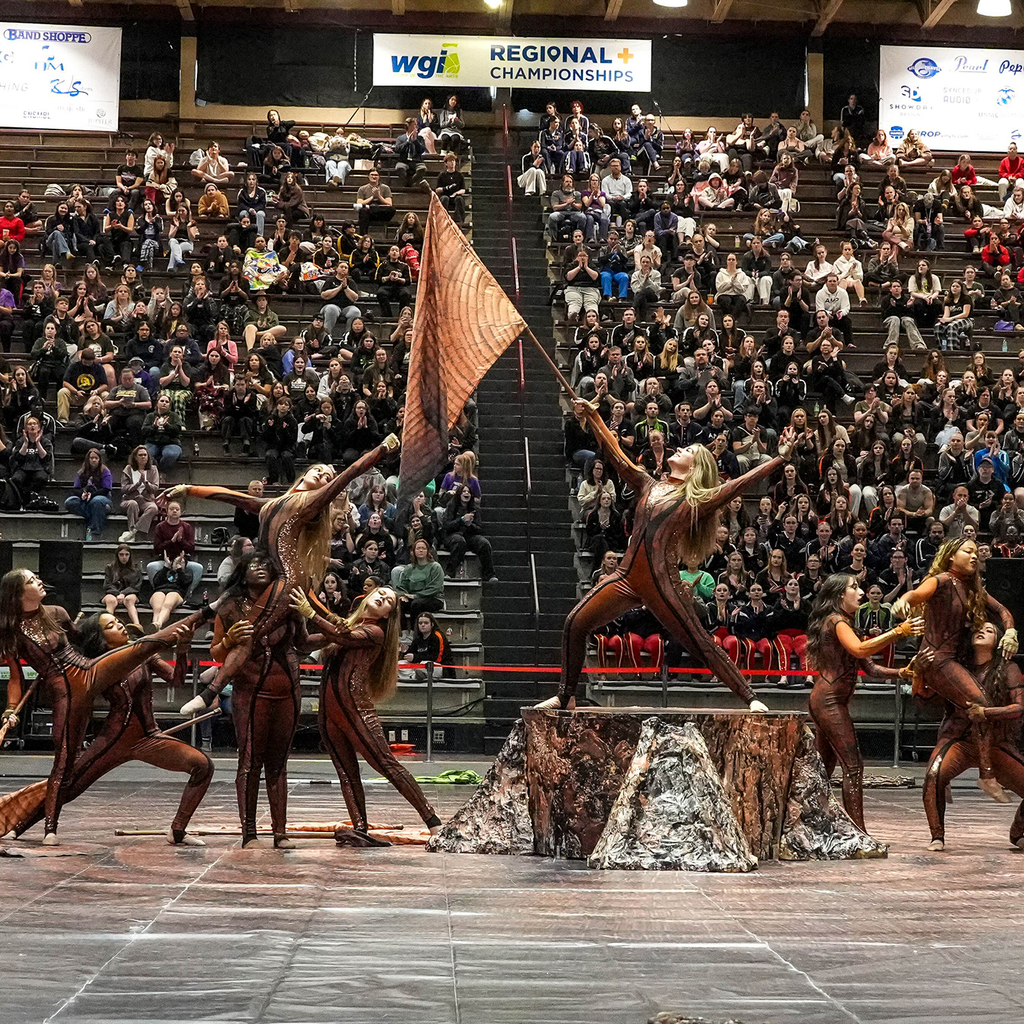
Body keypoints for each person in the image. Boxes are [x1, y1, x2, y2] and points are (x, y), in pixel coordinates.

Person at [544, 398, 782, 712]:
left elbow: (739, 485)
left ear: (696, 467)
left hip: (660, 582)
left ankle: (750, 697)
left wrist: (779, 458)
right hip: (627, 577)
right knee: (575, 623)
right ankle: (565, 696)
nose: (679, 450)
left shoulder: (694, 500)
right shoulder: (649, 484)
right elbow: (617, 455)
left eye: (688, 451)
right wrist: (593, 416)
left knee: (697, 640)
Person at [0, 570, 199, 844]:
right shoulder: (14, 632)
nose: (119, 626)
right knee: (67, 772)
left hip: (138, 727)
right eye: (32, 581)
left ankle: (178, 829)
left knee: (202, 766)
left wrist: (182, 649)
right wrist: (11, 710)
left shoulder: (58, 614)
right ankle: (36, 827)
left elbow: (174, 678)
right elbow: (18, 677)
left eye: (118, 622)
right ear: (18, 593)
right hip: (97, 721)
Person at [292, 585, 442, 846]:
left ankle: (434, 823)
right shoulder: (348, 625)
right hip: (331, 712)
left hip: (355, 708)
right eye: (380, 593)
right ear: (368, 596)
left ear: (387, 615)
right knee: (346, 773)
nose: (382, 597)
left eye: (388, 601)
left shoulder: (375, 632)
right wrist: (299, 616)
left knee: (387, 765)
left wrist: (311, 611)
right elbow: (305, 643)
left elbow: (343, 637)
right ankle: (360, 826)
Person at [893, 538, 1018, 802]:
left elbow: (1003, 611)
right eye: (968, 551)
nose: (974, 556)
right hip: (937, 659)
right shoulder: (941, 580)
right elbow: (917, 594)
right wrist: (904, 600)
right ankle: (986, 775)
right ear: (951, 556)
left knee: (961, 709)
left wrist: (1011, 631)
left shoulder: (970, 587)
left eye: (976, 552)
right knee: (980, 704)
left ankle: (943, 776)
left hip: (950, 659)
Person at [807, 574, 922, 832]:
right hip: (829, 701)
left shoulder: (844, 623)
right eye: (854, 587)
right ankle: (859, 834)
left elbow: (869, 668)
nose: (861, 592)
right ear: (839, 595)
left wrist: (901, 673)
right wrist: (897, 632)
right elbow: (860, 651)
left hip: (827, 701)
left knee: (822, 770)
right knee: (853, 766)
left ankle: (812, 826)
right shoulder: (836, 621)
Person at [922, 620, 1024, 852]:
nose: (982, 631)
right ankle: (937, 836)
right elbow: (926, 700)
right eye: (979, 629)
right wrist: (920, 675)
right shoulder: (957, 667)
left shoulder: (1008, 669)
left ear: (998, 641)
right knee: (933, 776)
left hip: (996, 743)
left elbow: (1019, 707)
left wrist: (986, 712)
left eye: (989, 630)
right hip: (960, 739)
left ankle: (1018, 831)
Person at [391, 538, 445, 625]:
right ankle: (403, 631)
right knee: (398, 603)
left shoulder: (435, 567)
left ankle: (414, 631)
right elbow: (402, 585)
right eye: (418, 548)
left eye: (423, 548)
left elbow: (435, 587)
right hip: (412, 597)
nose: (421, 550)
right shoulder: (409, 568)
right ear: (413, 551)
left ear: (428, 551)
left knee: (416, 604)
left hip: (433, 598)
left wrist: (416, 596)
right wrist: (403, 595)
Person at [64, 447, 113, 541]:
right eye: (92, 458)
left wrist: (93, 494)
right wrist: (82, 494)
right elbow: (76, 488)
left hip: (102, 498)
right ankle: (93, 514)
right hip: (85, 499)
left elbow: (106, 489)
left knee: (96, 501)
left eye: (96, 458)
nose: (94, 460)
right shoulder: (81, 472)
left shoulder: (105, 471)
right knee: (69, 502)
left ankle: (95, 531)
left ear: (99, 459)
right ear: (88, 459)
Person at [399, 611, 449, 682]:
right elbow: (412, 653)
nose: (423, 625)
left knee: (424, 664)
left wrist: (415, 657)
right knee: (400, 664)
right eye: (420, 623)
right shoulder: (418, 638)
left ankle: (416, 675)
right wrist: (404, 652)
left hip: (439, 666)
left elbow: (437, 658)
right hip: (419, 665)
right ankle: (415, 676)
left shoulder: (437, 636)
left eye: (426, 623)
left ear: (432, 624)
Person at [354, 169, 394, 235]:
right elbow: (359, 203)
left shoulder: (385, 188)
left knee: (392, 209)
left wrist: (378, 196)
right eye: (372, 175)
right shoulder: (362, 189)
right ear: (368, 176)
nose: (374, 177)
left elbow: (389, 204)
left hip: (381, 213)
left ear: (379, 177)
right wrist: (372, 197)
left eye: (376, 175)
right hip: (368, 213)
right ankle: (363, 236)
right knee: (363, 211)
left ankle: (371, 207)